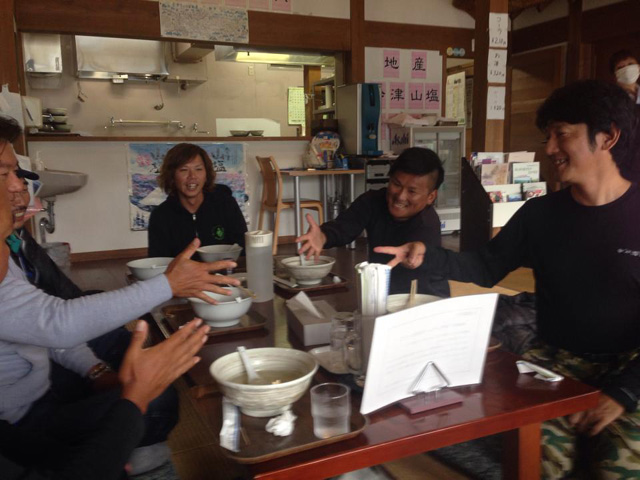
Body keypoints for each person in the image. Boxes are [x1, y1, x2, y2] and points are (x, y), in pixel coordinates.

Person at [377, 80, 640, 479]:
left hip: (629, 366)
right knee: (533, 463)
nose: (549, 148)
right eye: (547, 136)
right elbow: (484, 268)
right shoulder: (541, 215)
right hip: (554, 364)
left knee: (619, 471)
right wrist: (427, 255)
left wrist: (622, 394)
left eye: (562, 134)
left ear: (608, 137)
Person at [296, 147, 449, 297]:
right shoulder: (373, 201)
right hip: (382, 292)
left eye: (412, 191)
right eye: (396, 184)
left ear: (431, 196)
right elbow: (344, 227)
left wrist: (413, 259)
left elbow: (419, 271)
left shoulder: (427, 224)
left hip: (425, 298)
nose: (401, 196)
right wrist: (323, 236)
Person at [148, 143, 247, 258]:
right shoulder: (160, 216)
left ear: (206, 174)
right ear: (172, 176)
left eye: (198, 169)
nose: (192, 176)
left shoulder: (226, 204)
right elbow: (158, 261)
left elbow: (243, 247)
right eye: (184, 170)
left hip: (226, 268)